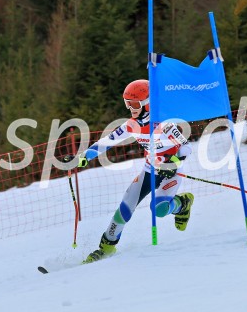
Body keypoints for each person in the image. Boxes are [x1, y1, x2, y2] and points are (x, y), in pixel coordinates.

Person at [70, 79, 194, 263]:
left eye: (134, 104)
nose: (130, 108)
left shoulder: (164, 124)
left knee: (158, 209)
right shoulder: (131, 125)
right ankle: (106, 247)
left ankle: (182, 203)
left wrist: (172, 163)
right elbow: (108, 141)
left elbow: (186, 148)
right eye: (127, 103)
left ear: (147, 103)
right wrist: (84, 157)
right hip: (149, 170)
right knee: (125, 207)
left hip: (171, 172)